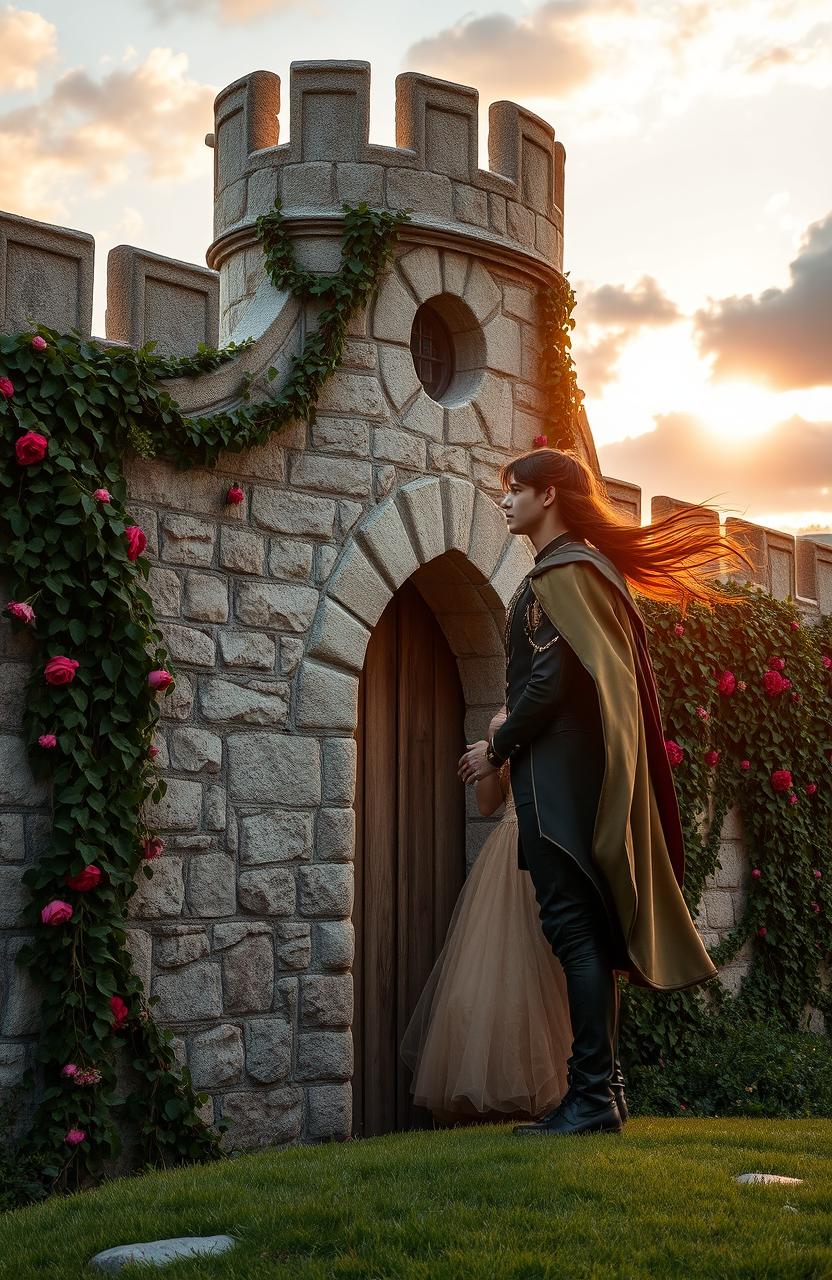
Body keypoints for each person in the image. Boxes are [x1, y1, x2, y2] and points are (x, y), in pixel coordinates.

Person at [458, 445, 751, 1138]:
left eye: (516, 489)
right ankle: (604, 1094)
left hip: (560, 793)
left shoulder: (568, 574)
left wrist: (495, 746)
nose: (505, 500)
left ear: (550, 495)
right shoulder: (570, 574)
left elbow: (550, 686)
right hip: (565, 787)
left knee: (575, 936)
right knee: (585, 937)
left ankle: (590, 1098)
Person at [400, 708, 574, 1123]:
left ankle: (562, 1094)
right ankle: (494, 1097)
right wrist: (491, 756)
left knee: (549, 978)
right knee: (486, 984)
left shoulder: (553, 707)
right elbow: (487, 806)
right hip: (505, 854)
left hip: (547, 846)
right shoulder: (502, 714)